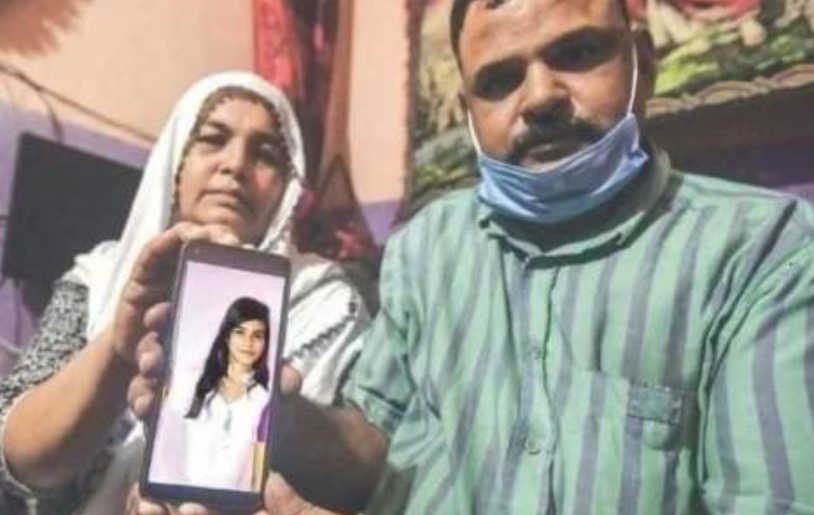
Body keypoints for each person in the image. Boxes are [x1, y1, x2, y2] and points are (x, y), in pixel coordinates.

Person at [131, 0, 814, 513]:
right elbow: (369, 450)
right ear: (467, 111)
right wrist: (272, 417)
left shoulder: (761, 248)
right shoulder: (426, 248)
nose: (540, 97)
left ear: (644, 65)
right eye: (500, 80)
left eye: (577, 53)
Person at [0, 71, 368, 515]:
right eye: (212, 139)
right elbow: (18, 463)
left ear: (287, 187)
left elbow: (360, 477)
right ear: (176, 163)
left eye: (266, 154)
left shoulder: (328, 302)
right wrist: (120, 347)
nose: (235, 165)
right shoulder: (100, 276)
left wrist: (279, 417)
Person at [147, 296, 274, 491]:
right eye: (240, 332)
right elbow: (165, 447)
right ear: (227, 336)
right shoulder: (190, 382)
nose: (248, 343)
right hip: (175, 494)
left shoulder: (263, 401)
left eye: (257, 336)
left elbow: (256, 475)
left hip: (231, 503)